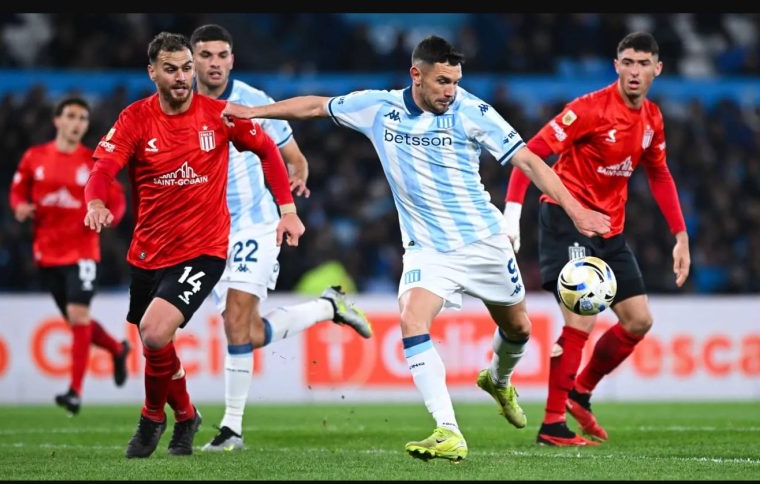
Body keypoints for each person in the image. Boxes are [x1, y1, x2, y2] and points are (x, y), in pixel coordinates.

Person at [221, 35, 611, 461]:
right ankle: (447, 429)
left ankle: (498, 380)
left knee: (518, 328)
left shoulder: (473, 111)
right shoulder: (379, 108)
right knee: (411, 317)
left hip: (483, 241)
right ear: (416, 75)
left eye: (456, 81)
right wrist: (254, 112)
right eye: (442, 81)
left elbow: (530, 161)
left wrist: (576, 211)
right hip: (427, 250)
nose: (451, 91)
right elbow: (316, 104)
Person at [83, 31, 305, 459]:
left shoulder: (220, 115)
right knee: (156, 344)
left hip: (204, 249)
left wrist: (287, 209)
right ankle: (186, 415)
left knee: (153, 331)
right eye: (171, 69)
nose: (182, 77)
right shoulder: (135, 119)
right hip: (148, 251)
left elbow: (268, 151)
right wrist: (94, 200)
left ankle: (152, 418)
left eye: (187, 68)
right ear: (152, 72)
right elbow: (103, 167)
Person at [190, 24, 372, 452]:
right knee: (248, 332)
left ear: (232, 59)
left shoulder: (255, 101)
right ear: (192, 60)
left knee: (236, 321)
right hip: (205, 233)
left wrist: (298, 175)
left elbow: (293, 156)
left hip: (256, 225)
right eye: (206, 55)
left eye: (222, 55)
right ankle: (328, 305)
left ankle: (231, 429)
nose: (214, 63)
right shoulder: (181, 106)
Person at [503, 31, 690, 446]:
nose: (635, 72)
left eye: (644, 64)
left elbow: (659, 174)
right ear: (616, 65)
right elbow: (528, 155)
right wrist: (512, 215)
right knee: (583, 311)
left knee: (639, 320)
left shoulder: (653, 119)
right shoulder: (589, 109)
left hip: (609, 228)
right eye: (628, 62)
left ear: (657, 68)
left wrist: (681, 235)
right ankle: (552, 425)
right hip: (566, 219)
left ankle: (580, 393)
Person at [9, 96, 131, 417]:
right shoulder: (34, 158)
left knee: (78, 316)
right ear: (57, 120)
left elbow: (116, 199)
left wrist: (109, 216)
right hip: (47, 252)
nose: (77, 123)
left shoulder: (92, 162)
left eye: (83, 119)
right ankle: (118, 350)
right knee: (78, 322)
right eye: (72, 116)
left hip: (82, 251)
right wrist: (19, 207)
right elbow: (18, 190)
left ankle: (75, 392)